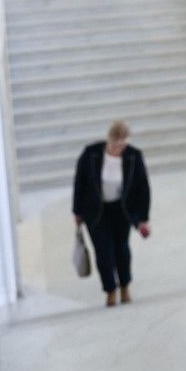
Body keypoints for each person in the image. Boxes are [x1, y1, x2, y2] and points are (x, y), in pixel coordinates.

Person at [72, 121, 151, 307]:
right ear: (108, 140)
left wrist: (143, 218)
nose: (118, 149)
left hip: (122, 210)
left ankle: (125, 286)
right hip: (96, 211)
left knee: (121, 249)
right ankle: (110, 289)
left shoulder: (134, 156)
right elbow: (79, 182)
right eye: (115, 145)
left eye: (122, 145)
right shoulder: (91, 154)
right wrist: (77, 210)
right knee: (103, 251)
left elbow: (143, 188)